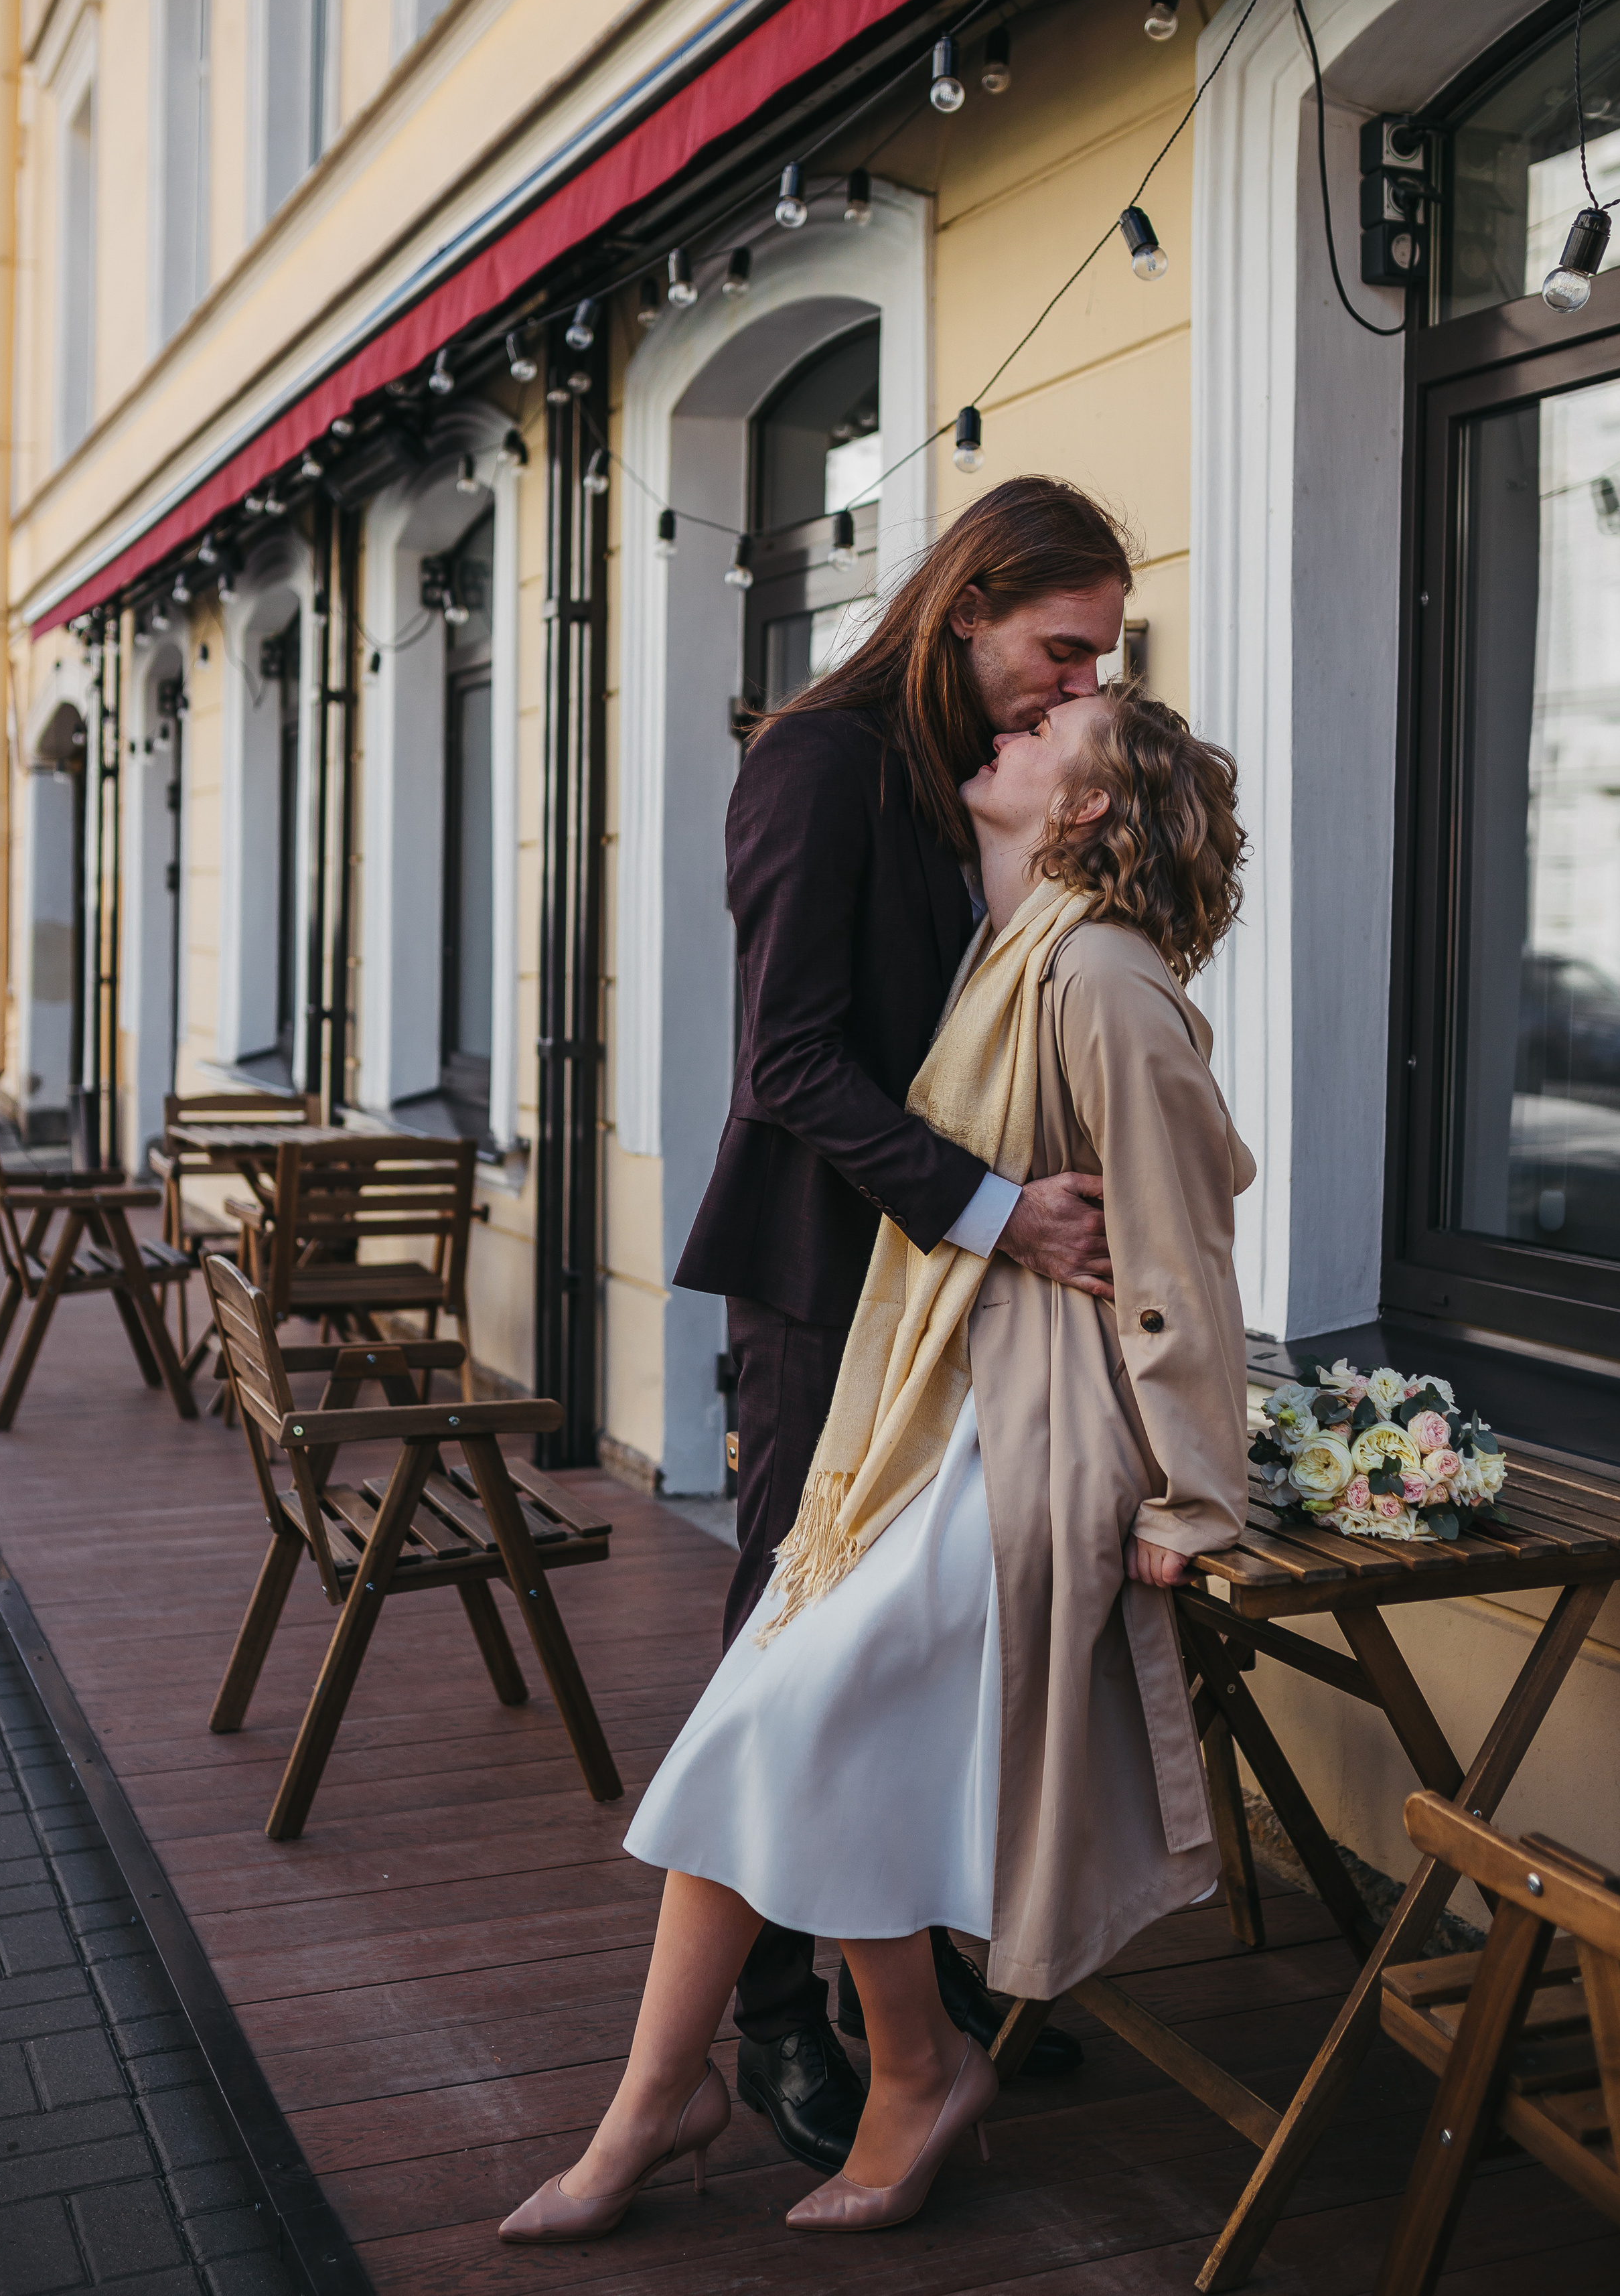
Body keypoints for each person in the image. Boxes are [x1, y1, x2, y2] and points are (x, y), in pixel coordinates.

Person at [500, 678, 1255, 2244]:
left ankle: (855, 2079)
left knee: (786, 1723)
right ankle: (692, 2095)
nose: (1022, 724)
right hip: (931, 1415)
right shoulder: (1012, 943)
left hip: (1021, 1441)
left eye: (1058, 725)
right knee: (772, 1736)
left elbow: (1183, 1245)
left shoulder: (1098, 976)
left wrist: (1193, 1494)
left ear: (1088, 807)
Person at [672, 478, 1129, 2167]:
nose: (1075, 692)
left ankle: (907, 1997)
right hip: (823, 1285)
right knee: (789, 1650)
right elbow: (785, 1063)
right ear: (962, 613)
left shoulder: (955, 780)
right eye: (1056, 652)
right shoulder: (815, 766)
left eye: (1098, 663)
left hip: (940, 1297)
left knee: (909, 1652)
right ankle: (774, 2023)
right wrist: (1004, 1214)